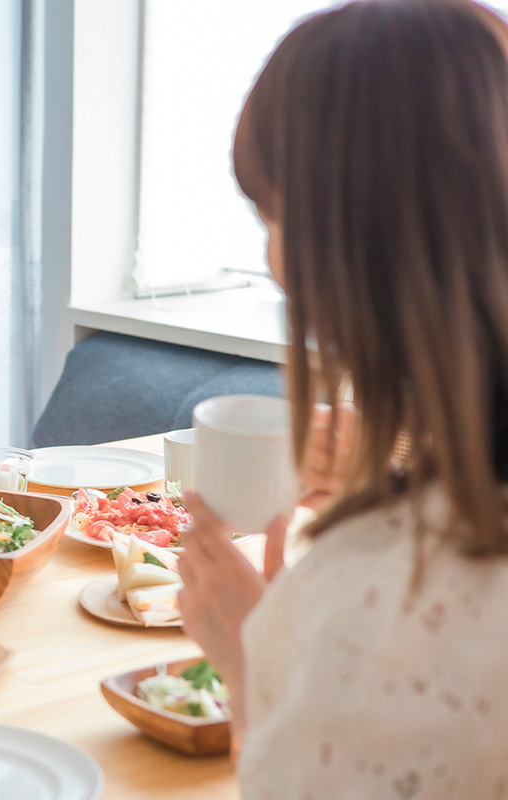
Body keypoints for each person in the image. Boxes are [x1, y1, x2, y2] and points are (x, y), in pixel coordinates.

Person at [177, 1, 508, 795]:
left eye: (270, 215)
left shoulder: (379, 600)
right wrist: (412, 450)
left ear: (342, 242)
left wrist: (255, 651)